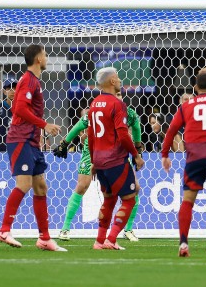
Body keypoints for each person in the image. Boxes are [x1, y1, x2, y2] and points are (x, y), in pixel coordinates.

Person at [0, 44, 65, 251]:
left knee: (41, 187)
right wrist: (45, 125)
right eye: (45, 54)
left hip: (31, 142)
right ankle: (4, 230)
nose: (47, 57)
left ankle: (44, 238)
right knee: (23, 184)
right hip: (20, 139)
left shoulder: (34, 81)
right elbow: (20, 109)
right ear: (38, 59)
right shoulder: (27, 80)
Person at [54, 81, 143, 243]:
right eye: (115, 95)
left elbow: (136, 130)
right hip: (92, 150)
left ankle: (128, 229)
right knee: (82, 186)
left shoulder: (129, 114)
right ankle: (65, 229)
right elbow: (78, 126)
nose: (118, 98)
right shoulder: (97, 110)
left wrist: (138, 151)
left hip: (118, 154)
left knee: (135, 189)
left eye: (120, 95)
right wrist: (65, 143)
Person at [162, 71, 206, 257]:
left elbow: (171, 131)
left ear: (195, 88)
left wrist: (164, 154)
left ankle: (184, 243)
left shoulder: (186, 106)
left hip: (194, 157)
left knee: (187, 201)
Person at [86, 66, 145, 251]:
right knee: (129, 199)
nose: (120, 81)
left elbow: (91, 134)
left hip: (100, 162)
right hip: (116, 160)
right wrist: (136, 155)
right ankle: (111, 239)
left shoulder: (94, 104)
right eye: (118, 78)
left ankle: (99, 241)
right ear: (112, 81)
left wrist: (94, 161)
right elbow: (123, 134)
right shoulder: (118, 104)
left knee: (109, 200)